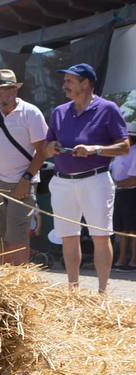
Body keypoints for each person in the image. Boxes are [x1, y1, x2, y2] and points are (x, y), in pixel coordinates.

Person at [41, 64, 130, 293]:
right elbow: (45, 147)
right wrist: (51, 147)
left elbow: (124, 146)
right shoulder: (59, 111)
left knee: (100, 236)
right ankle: (73, 292)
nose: (65, 85)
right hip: (61, 181)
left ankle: (102, 294)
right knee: (68, 237)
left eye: (70, 81)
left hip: (96, 180)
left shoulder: (108, 109)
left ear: (86, 83)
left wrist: (96, 149)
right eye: (65, 81)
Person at [0, 69, 47, 265]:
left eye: (1, 90)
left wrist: (27, 179)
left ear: (14, 91)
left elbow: (43, 150)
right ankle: (6, 280)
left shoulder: (31, 113)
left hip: (22, 183)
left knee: (17, 237)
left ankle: (18, 279)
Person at [111, 137, 136, 271]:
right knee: (120, 228)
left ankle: (133, 261)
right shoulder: (118, 152)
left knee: (132, 228)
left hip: (131, 194)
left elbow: (134, 180)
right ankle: (121, 260)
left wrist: (116, 184)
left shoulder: (135, 152)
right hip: (119, 193)